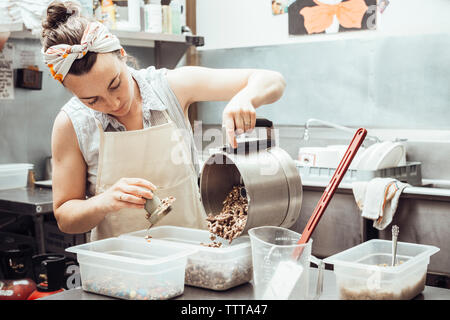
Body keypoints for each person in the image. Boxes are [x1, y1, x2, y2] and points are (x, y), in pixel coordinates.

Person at [43, 1, 286, 241]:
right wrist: (104, 202)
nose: (113, 103)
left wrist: (244, 97)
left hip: (193, 258)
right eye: (92, 100)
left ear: (122, 55)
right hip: (119, 269)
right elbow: (65, 218)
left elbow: (272, 80)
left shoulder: (171, 88)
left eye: (115, 84)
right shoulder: (70, 124)